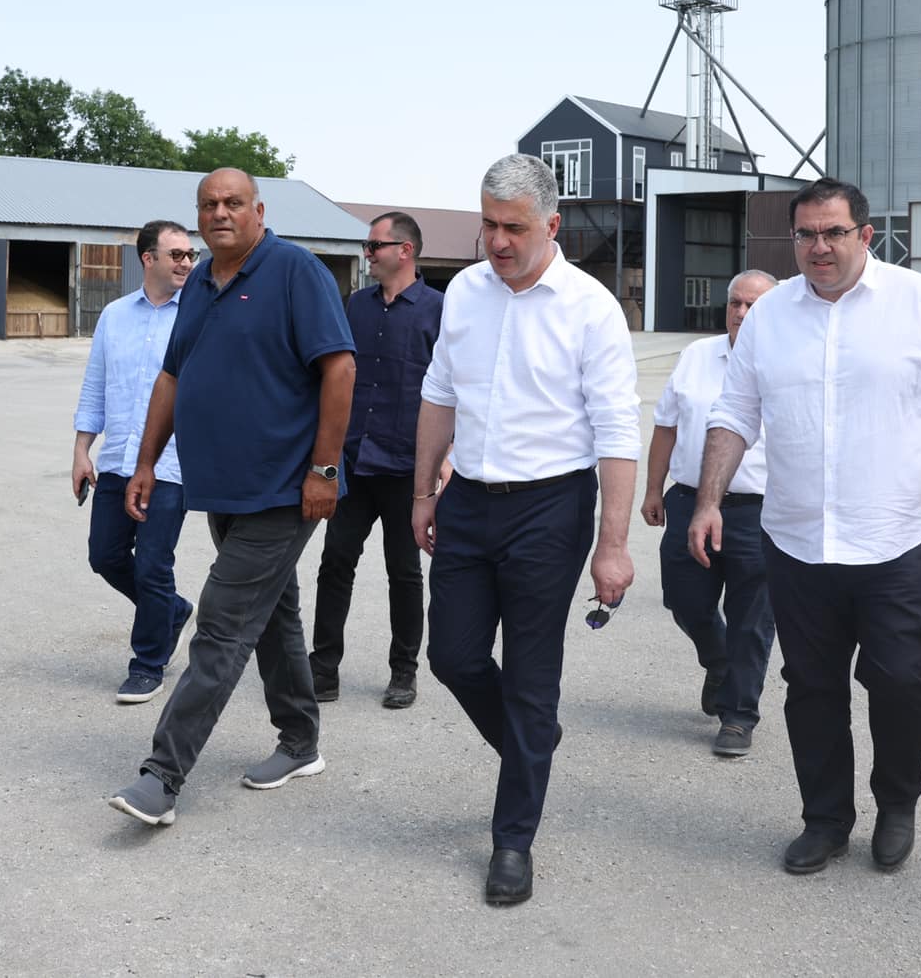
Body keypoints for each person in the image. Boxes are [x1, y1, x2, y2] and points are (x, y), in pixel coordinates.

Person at [694, 177, 921, 876]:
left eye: (833, 232)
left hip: (899, 539)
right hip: (798, 541)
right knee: (811, 686)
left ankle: (897, 803)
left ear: (866, 234)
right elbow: (735, 413)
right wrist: (708, 500)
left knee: (901, 681)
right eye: (806, 234)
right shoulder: (770, 316)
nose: (819, 247)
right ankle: (825, 819)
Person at [411, 154, 639, 906]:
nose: (498, 241)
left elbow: (617, 431)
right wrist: (423, 491)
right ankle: (531, 743)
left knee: (532, 676)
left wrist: (613, 545)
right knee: (452, 656)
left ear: (552, 224)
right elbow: (439, 395)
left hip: (551, 508)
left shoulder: (589, 307)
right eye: (489, 224)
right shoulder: (465, 292)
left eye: (513, 227)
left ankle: (512, 842)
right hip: (468, 500)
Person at [108, 169, 356, 828]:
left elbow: (340, 367)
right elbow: (172, 376)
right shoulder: (199, 284)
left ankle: (162, 776)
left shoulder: (295, 271)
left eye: (233, 203)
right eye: (209, 204)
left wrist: (324, 470)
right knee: (272, 616)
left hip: (285, 488)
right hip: (223, 486)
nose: (220, 213)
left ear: (258, 211)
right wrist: (146, 462)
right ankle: (300, 742)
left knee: (221, 623)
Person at [309, 211, 444, 710]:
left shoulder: (438, 310)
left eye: (374, 246)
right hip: (354, 461)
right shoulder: (355, 306)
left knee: (403, 572)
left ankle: (403, 672)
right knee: (334, 564)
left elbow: (456, 390)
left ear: (404, 251)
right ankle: (323, 669)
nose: (367, 255)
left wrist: (446, 457)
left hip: (408, 466)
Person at [641, 269, 777, 758]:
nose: (741, 313)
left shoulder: (787, 361)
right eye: (735, 303)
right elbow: (666, 426)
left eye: (753, 306)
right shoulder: (698, 355)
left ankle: (738, 716)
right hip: (689, 500)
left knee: (752, 619)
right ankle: (719, 661)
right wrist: (653, 489)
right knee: (684, 600)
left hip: (757, 511)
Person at [73, 219, 199, 704]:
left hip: (171, 464)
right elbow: (96, 385)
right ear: (148, 259)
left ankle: (148, 663)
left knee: (151, 565)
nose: (186, 263)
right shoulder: (115, 315)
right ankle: (172, 611)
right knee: (104, 556)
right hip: (118, 459)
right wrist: (82, 450)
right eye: (176, 255)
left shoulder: (198, 317)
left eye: (190, 255)